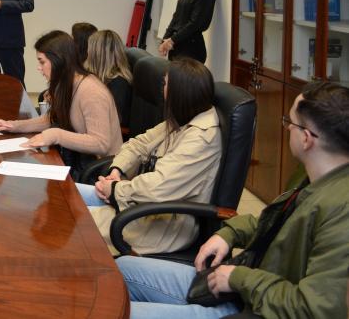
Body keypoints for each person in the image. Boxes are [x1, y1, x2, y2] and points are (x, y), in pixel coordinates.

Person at [116, 81, 349, 318]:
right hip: (247, 290)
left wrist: (240, 278)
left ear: (307, 139)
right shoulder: (313, 178)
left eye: (290, 123)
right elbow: (275, 226)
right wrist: (229, 233)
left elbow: (314, 309)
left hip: (256, 308)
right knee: (121, 269)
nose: (287, 128)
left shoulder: (341, 212)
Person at [75, 58, 221, 255]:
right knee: (67, 197)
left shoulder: (201, 138)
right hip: (140, 205)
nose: (162, 89)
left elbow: (159, 186)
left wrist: (116, 189)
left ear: (180, 92)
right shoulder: (181, 121)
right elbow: (138, 144)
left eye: (166, 83)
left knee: (73, 221)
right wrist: (117, 170)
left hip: (162, 226)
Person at [0, 31, 121, 178]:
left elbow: (101, 144)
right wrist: (13, 126)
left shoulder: (91, 92)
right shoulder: (66, 83)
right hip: (78, 161)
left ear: (58, 60)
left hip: (101, 174)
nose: (39, 68)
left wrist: (57, 135)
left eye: (42, 62)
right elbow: (51, 119)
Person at [84, 30, 133, 128]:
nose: (87, 52)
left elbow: (110, 120)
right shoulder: (98, 77)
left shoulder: (119, 83)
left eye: (90, 49)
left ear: (98, 54)